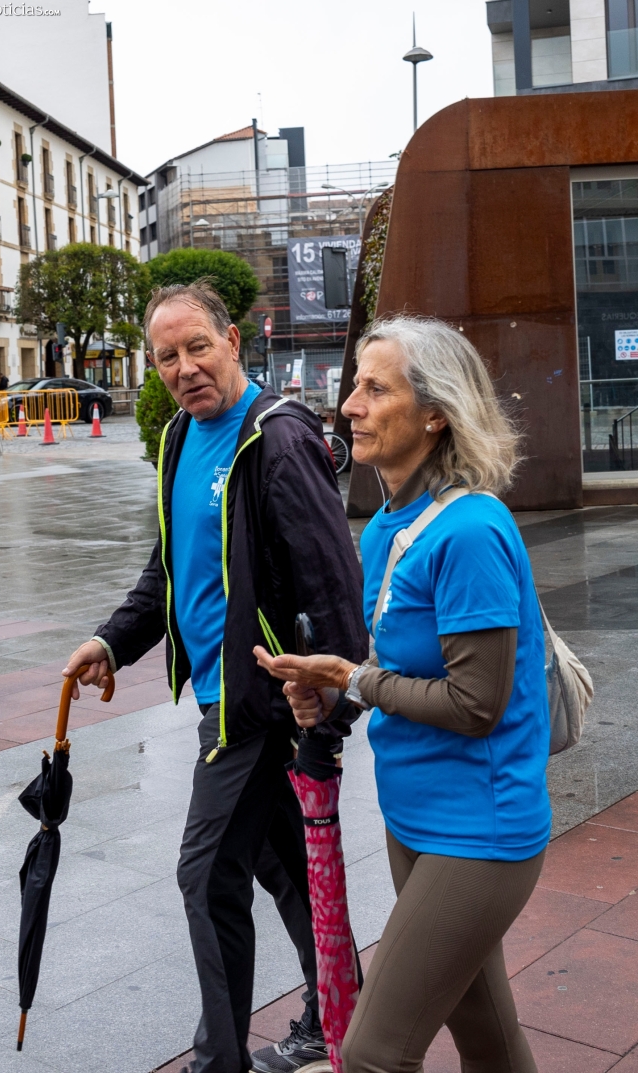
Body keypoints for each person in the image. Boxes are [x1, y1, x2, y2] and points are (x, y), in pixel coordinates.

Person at [63, 281, 367, 1073]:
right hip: (221, 696)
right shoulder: (176, 440)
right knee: (281, 866)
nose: (185, 367)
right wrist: (113, 639)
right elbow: (170, 569)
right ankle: (339, 1007)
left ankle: (218, 1060)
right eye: (166, 356)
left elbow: (333, 583)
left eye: (198, 346)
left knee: (205, 874)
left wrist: (329, 715)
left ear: (232, 340)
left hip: (265, 704)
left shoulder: (275, 438)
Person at [255, 314, 552, 1073]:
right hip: (413, 814)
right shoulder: (388, 525)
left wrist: (349, 678)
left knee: (373, 1051)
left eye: (374, 387)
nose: (349, 403)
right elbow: (389, 666)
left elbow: (475, 703)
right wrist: (325, 696)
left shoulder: (471, 532)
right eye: (354, 385)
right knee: (485, 1032)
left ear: (435, 411)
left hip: (479, 828)